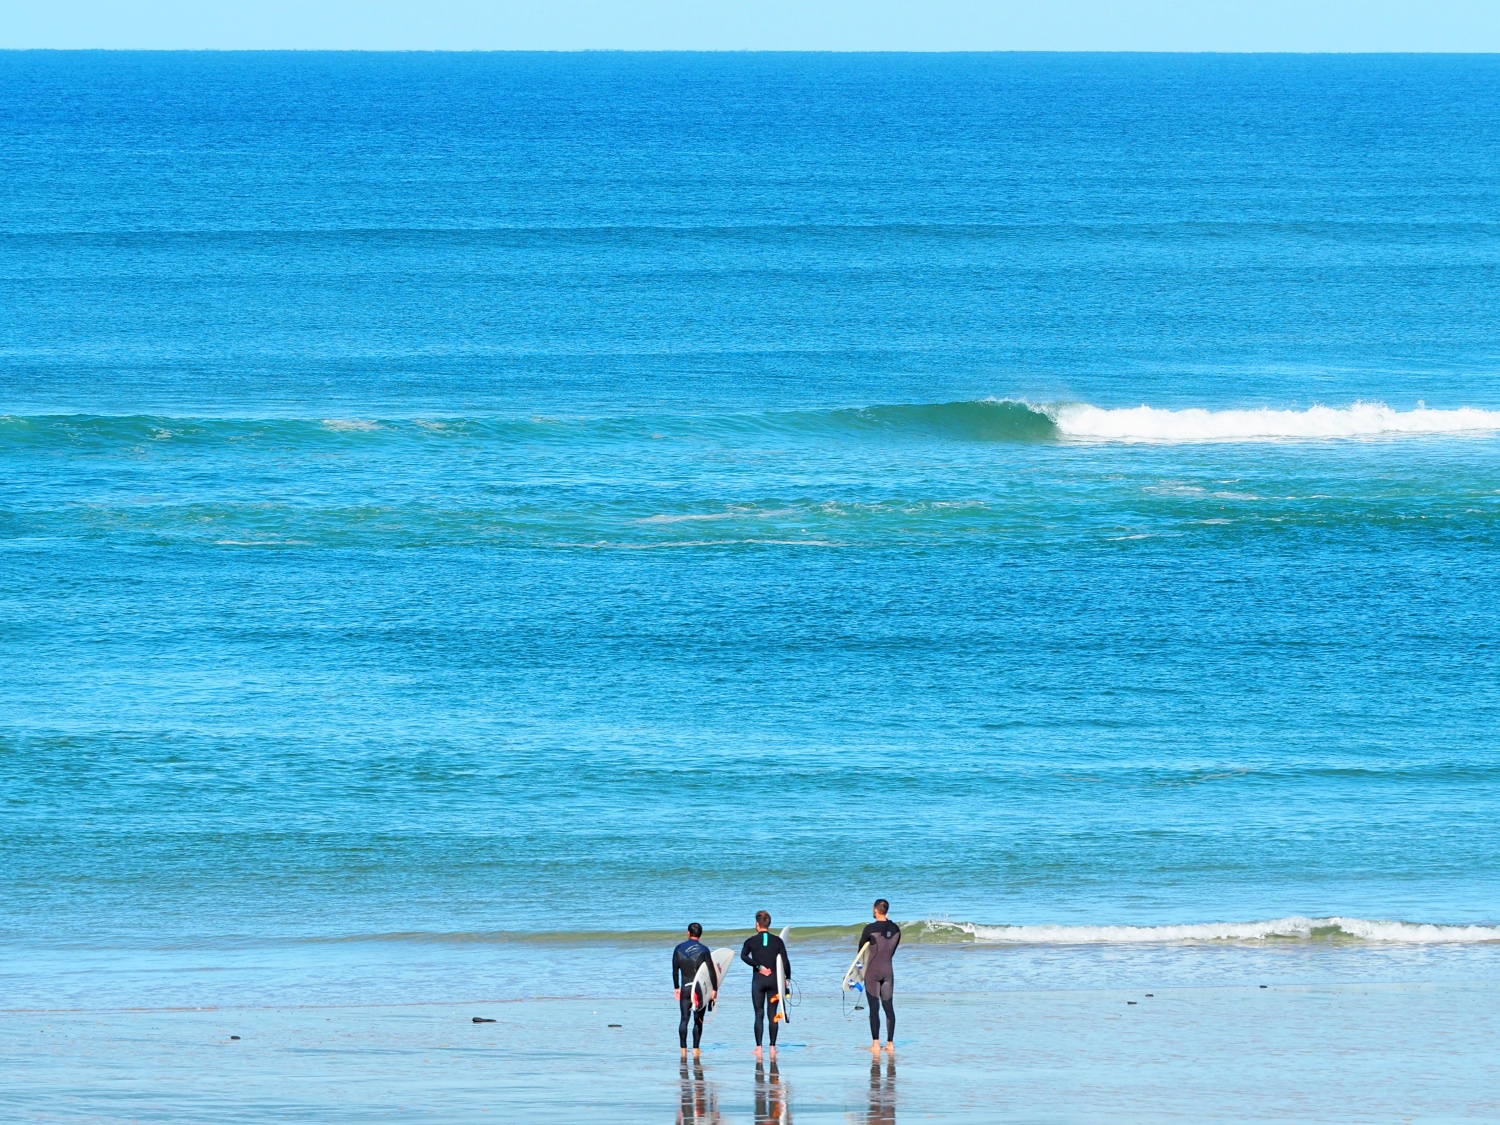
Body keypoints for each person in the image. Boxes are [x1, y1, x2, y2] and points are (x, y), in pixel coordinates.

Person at [740, 910, 791, 1060]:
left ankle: (759, 1048)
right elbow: (785, 961)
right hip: (775, 981)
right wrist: (787, 978)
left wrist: (758, 967)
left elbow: (743, 956)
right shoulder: (778, 941)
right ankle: (773, 1047)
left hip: (759, 981)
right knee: (772, 1014)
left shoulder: (750, 941)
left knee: (759, 1014)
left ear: (757, 924)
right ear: (769, 924)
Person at [859, 899, 900, 1053]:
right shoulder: (896, 929)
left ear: (875, 909)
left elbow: (861, 953)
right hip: (888, 971)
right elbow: (891, 950)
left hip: (873, 972)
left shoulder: (869, 929)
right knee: (889, 1007)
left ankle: (876, 1044)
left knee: (874, 1008)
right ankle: (890, 1043)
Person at [672, 923, 719, 1058]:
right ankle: (695, 1049)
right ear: (700, 934)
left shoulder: (678, 949)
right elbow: (711, 971)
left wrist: (676, 987)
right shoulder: (704, 950)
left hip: (685, 988)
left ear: (688, 933)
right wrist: (714, 989)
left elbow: (675, 970)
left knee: (684, 1019)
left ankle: (683, 1049)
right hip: (698, 990)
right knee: (698, 1019)